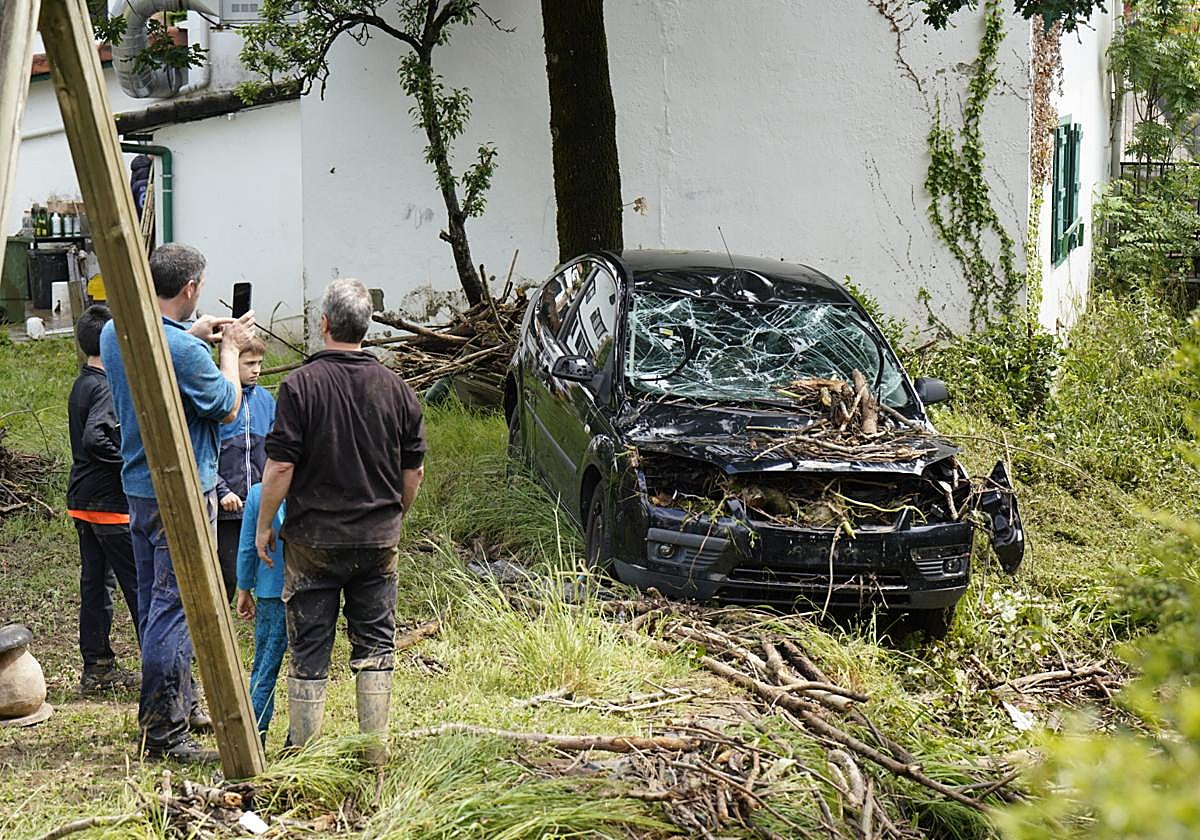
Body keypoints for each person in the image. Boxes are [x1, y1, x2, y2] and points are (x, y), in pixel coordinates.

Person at [256, 278, 425, 763]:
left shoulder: (299, 385)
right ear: (367, 328)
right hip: (377, 540)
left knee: (309, 648)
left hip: (312, 541)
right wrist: (393, 516)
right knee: (375, 646)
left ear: (324, 324)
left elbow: (281, 466)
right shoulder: (398, 389)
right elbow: (412, 472)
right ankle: (375, 753)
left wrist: (266, 523)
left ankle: (305, 757)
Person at [100, 243, 255, 763]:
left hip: (138, 489)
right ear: (189, 289)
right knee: (176, 609)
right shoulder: (186, 353)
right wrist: (229, 350)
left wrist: (191, 334)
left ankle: (179, 706)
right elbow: (228, 407)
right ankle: (164, 734)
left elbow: (160, 349)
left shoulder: (116, 331)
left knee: (153, 604)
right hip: (184, 492)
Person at [67, 304, 141, 696]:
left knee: (95, 585)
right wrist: (129, 460)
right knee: (139, 587)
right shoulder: (109, 384)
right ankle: (163, 666)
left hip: (82, 499)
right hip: (110, 505)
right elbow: (97, 437)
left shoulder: (83, 383)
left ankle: (97, 666)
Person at [216, 336, 275, 603]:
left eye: (259, 363)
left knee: (266, 561)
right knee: (227, 571)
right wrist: (221, 490)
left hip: (260, 504)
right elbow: (202, 454)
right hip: (227, 505)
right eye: (249, 363)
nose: (257, 369)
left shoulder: (266, 400)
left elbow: (277, 452)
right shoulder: (218, 401)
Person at [234, 484, 286, 747]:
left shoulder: (258, 493)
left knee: (265, 666)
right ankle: (301, 736)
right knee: (309, 667)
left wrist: (244, 587)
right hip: (312, 590)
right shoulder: (316, 481)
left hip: (271, 590)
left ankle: (256, 735)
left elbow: (246, 546)